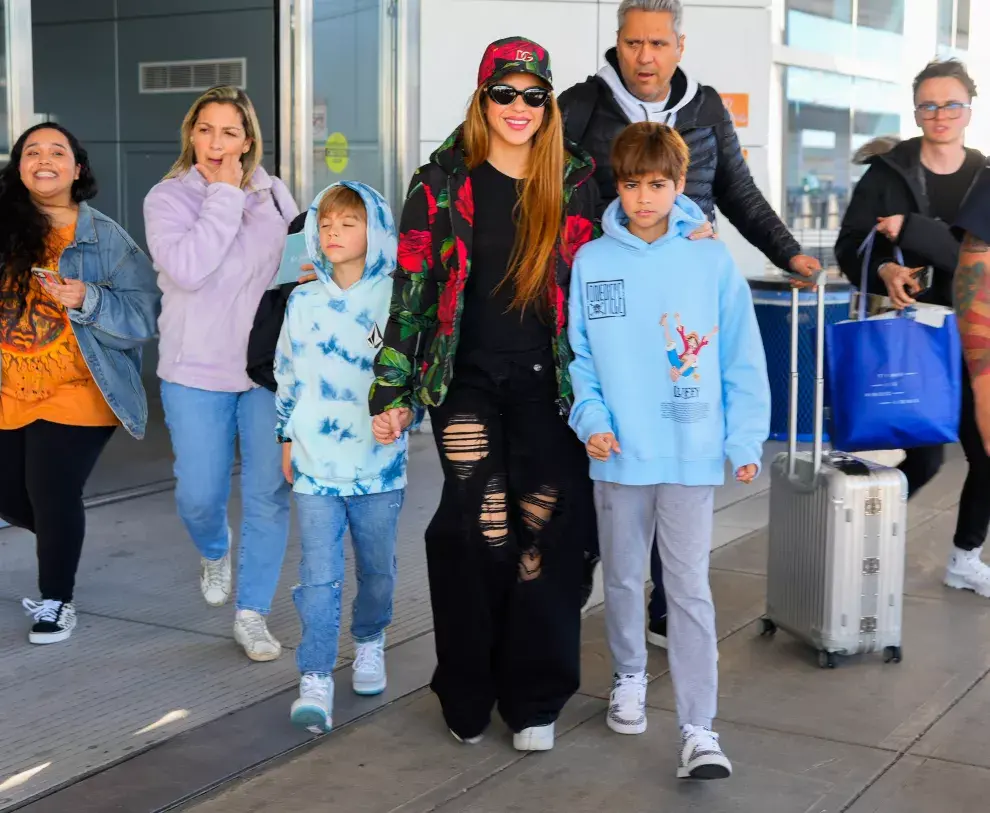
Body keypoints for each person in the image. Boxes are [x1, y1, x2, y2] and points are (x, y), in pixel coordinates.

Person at [558, 0, 820, 639]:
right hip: (605, 298)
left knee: (671, 450)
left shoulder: (705, 109)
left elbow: (738, 190)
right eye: (632, 43)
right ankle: (581, 590)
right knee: (604, 450)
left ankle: (662, 605)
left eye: (657, 43)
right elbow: (540, 192)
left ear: (679, 46)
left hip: (680, 303)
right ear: (616, 44)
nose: (645, 56)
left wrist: (788, 251)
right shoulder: (580, 106)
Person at [370, 37, 598, 752]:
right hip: (464, 383)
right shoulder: (438, 183)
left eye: (535, 95)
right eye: (506, 93)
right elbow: (412, 292)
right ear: (482, 98)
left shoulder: (576, 179)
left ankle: (533, 695)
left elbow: (618, 258)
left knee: (547, 535)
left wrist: (690, 230)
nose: (520, 107)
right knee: (482, 532)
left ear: (549, 103)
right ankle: (467, 687)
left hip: (550, 384)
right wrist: (392, 387)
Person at [568, 121, 769, 778]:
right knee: (623, 577)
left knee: (686, 586)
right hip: (619, 453)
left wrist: (743, 437)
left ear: (680, 185)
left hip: (690, 451)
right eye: (632, 184)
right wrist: (590, 418)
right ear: (616, 185)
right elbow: (581, 359)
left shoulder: (710, 259)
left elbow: (742, 355)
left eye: (657, 184)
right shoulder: (593, 261)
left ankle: (698, 727)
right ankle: (629, 675)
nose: (644, 197)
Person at [144, 85, 299, 660]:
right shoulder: (167, 198)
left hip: (264, 371)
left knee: (268, 494)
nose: (215, 142)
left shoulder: (274, 193)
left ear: (248, 140)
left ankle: (253, 613)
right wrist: (225, 195)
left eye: (229, 132)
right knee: (199, 494)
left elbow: (291, 267)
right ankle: (214, 548)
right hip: (194, 373)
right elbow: (188, 268)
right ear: (190, 134)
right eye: (205, 129)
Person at [0, 123, 160, 644]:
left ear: (77, 168)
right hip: (10, 387)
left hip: (80, 386)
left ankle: (55, 600)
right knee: (20, 496)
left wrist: (86, 298)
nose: (43, 159)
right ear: (19, 166)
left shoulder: (106, 237)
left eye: (57, 151)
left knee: (50, 487)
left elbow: (143, 316)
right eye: (32, 151)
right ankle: (61, 531)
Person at [836, 59, 990, 598]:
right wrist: (885, 266)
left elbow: (973, 258)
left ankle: (965, 556)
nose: (940, 114)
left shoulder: (985, 176)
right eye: (929, 104)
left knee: (987, 450)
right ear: (915, 110)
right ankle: (856, 531)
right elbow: (848, 244)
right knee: (920, 452)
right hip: (909, 333)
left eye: (952, 104)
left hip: (974, 334)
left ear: (970, 107)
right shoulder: (888, 174)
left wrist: (917, 231)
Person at [275, 181, 411, 734]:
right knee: (318, 573)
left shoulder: (398, 299)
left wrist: (402, 415)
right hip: (314, 460)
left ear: (374, 231)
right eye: (325, 224)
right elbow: (287, 373)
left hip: (378, 463)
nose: (333, 232)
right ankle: (316, 676)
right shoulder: (301, 301)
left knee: (376, 570)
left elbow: (412, 373)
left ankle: (371, 638)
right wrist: (287, 435)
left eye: (347, 223)